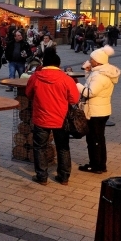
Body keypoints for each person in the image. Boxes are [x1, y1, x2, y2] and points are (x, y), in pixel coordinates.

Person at [25, 48, 79, 185]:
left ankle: (42, 176)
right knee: (63, 147)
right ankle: (64, 176)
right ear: (58, 65)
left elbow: (29, 93)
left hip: (41, 118)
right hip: (61, 119)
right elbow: (74, 99)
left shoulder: (35, 77)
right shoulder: (66, 79)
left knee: (39, 147)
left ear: (43, 64)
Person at [77, 46, 120, 174]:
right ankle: (100, 164)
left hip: (95, 112)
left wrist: (75, 84)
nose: (89, 60)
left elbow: (90, 92)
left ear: (98, 61)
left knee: (94, 139)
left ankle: (96, 165)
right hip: (102, 110)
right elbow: (92, 82)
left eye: (92, 59)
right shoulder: (101, 72)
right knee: (99, 138)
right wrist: (87, 71)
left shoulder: (100, 76)